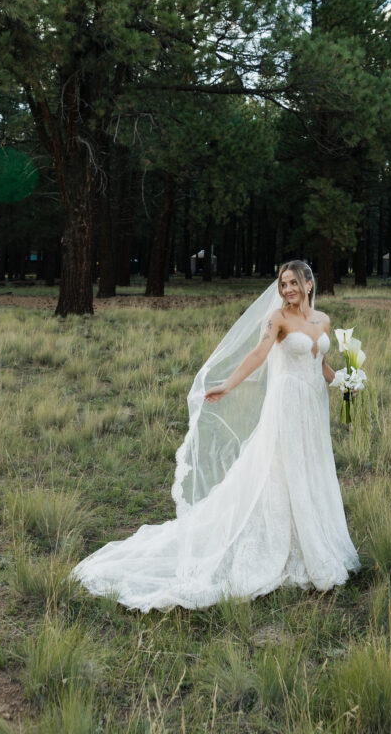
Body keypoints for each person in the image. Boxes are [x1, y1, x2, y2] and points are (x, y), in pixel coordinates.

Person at [72, 260, 360, 611]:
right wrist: (227, 385)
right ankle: (284, 544)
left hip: (313, 408)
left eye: (293, 283)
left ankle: (315, 538)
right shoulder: (277, 319)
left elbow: (320, 365)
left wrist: (345, 382)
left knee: (312, 467)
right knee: (285, 468)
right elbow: (258, 354)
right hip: (286, 405)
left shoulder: (323, 321)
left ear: (309, 284)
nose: (287, 290)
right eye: (283, 284)